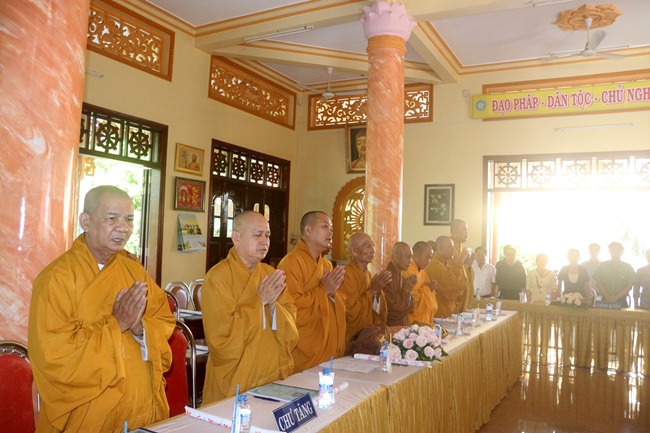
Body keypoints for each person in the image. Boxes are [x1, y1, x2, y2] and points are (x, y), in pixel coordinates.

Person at [28, 186, 175, 433]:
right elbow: (54, 357)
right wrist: (117, 324)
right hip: (86, 416)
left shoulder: (134, 271)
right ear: (86, 221)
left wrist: (140, 328)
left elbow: (162, 320)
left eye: (129, 219)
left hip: (140, 412)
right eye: (112, 218)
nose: (123, 228)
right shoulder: (56, 278)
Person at [201, 211, 299, 404]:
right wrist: (259, 302)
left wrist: (272, 306)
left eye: (267, 235)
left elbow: (291, 323)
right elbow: (220, 340)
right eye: (257, 235)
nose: (264, 241)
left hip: (270, 376)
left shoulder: (270, 273)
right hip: (234, 380)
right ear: (236, 238)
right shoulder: (217, 278)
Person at [277, 211, 347, 372]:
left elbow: (336, 302)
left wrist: (332, 294)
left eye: (331, 228)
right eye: (325, 226)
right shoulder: (291, 262)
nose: (330, 232)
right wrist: (323, 291)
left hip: (325, 341)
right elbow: (289, 308)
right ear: (308, 230)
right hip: (303, 346)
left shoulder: (326, 265)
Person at [338, 232, 390, 345]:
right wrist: (373, 291)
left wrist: (377, 293)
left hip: (367, 334)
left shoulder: (369, 275)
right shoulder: (346, 275)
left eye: (373, 245)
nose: (373, 250)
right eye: (367, 246)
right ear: (355, 251)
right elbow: (350, 312)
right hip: (352, 336)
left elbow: (376, 310)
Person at [425, 236, 467, 317]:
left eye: (453, 246)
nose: (453, 249)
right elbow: (452, 284)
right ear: (440, 249)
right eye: (450, 247)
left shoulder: (446, 263)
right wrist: (460, 261)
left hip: (448, 310)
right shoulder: (434, 265)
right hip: (439, 312)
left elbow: (463, 282)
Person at [593, 242, 636, 308]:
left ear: (622, 252)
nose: (615, 253)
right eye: (612, 250)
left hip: (622, 301)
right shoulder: (602, 265)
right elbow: (598, 282)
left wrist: (616, 297)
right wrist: (607, 296)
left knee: (623, 315)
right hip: (604, 300)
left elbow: (630, 286)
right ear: (609, 252)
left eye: (618, 250)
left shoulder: (628, 267)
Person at [384, 242, 417, 326]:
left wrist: (408, 292)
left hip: (401, 325)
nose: (410, 261)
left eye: (411, 257)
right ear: (397, 257)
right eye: (408, 257)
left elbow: (411, 307)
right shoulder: (387, 277)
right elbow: (393, 310)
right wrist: (405, 290)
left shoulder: (400, 276)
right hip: (391, 327)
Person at [407, 241, 438, 323]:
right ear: (416, 255)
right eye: (427, 257)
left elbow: (430, 298)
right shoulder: (408, 271)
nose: (429, 261)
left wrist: (429, 289)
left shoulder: (423, 273)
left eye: (431, 258)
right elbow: (411, 299)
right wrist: (427, 289)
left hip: (425, 321)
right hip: (413, 322)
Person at [450, 219, 475, 311]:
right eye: (464, 229)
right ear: (455, 231)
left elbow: (464, 272)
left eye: (467, 230)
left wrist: (469, 264)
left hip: (462, 293)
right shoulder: (449, 248)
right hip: (453, 296)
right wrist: (463, 260)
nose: (467, 233)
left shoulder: (461, 248)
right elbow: (450, 274)